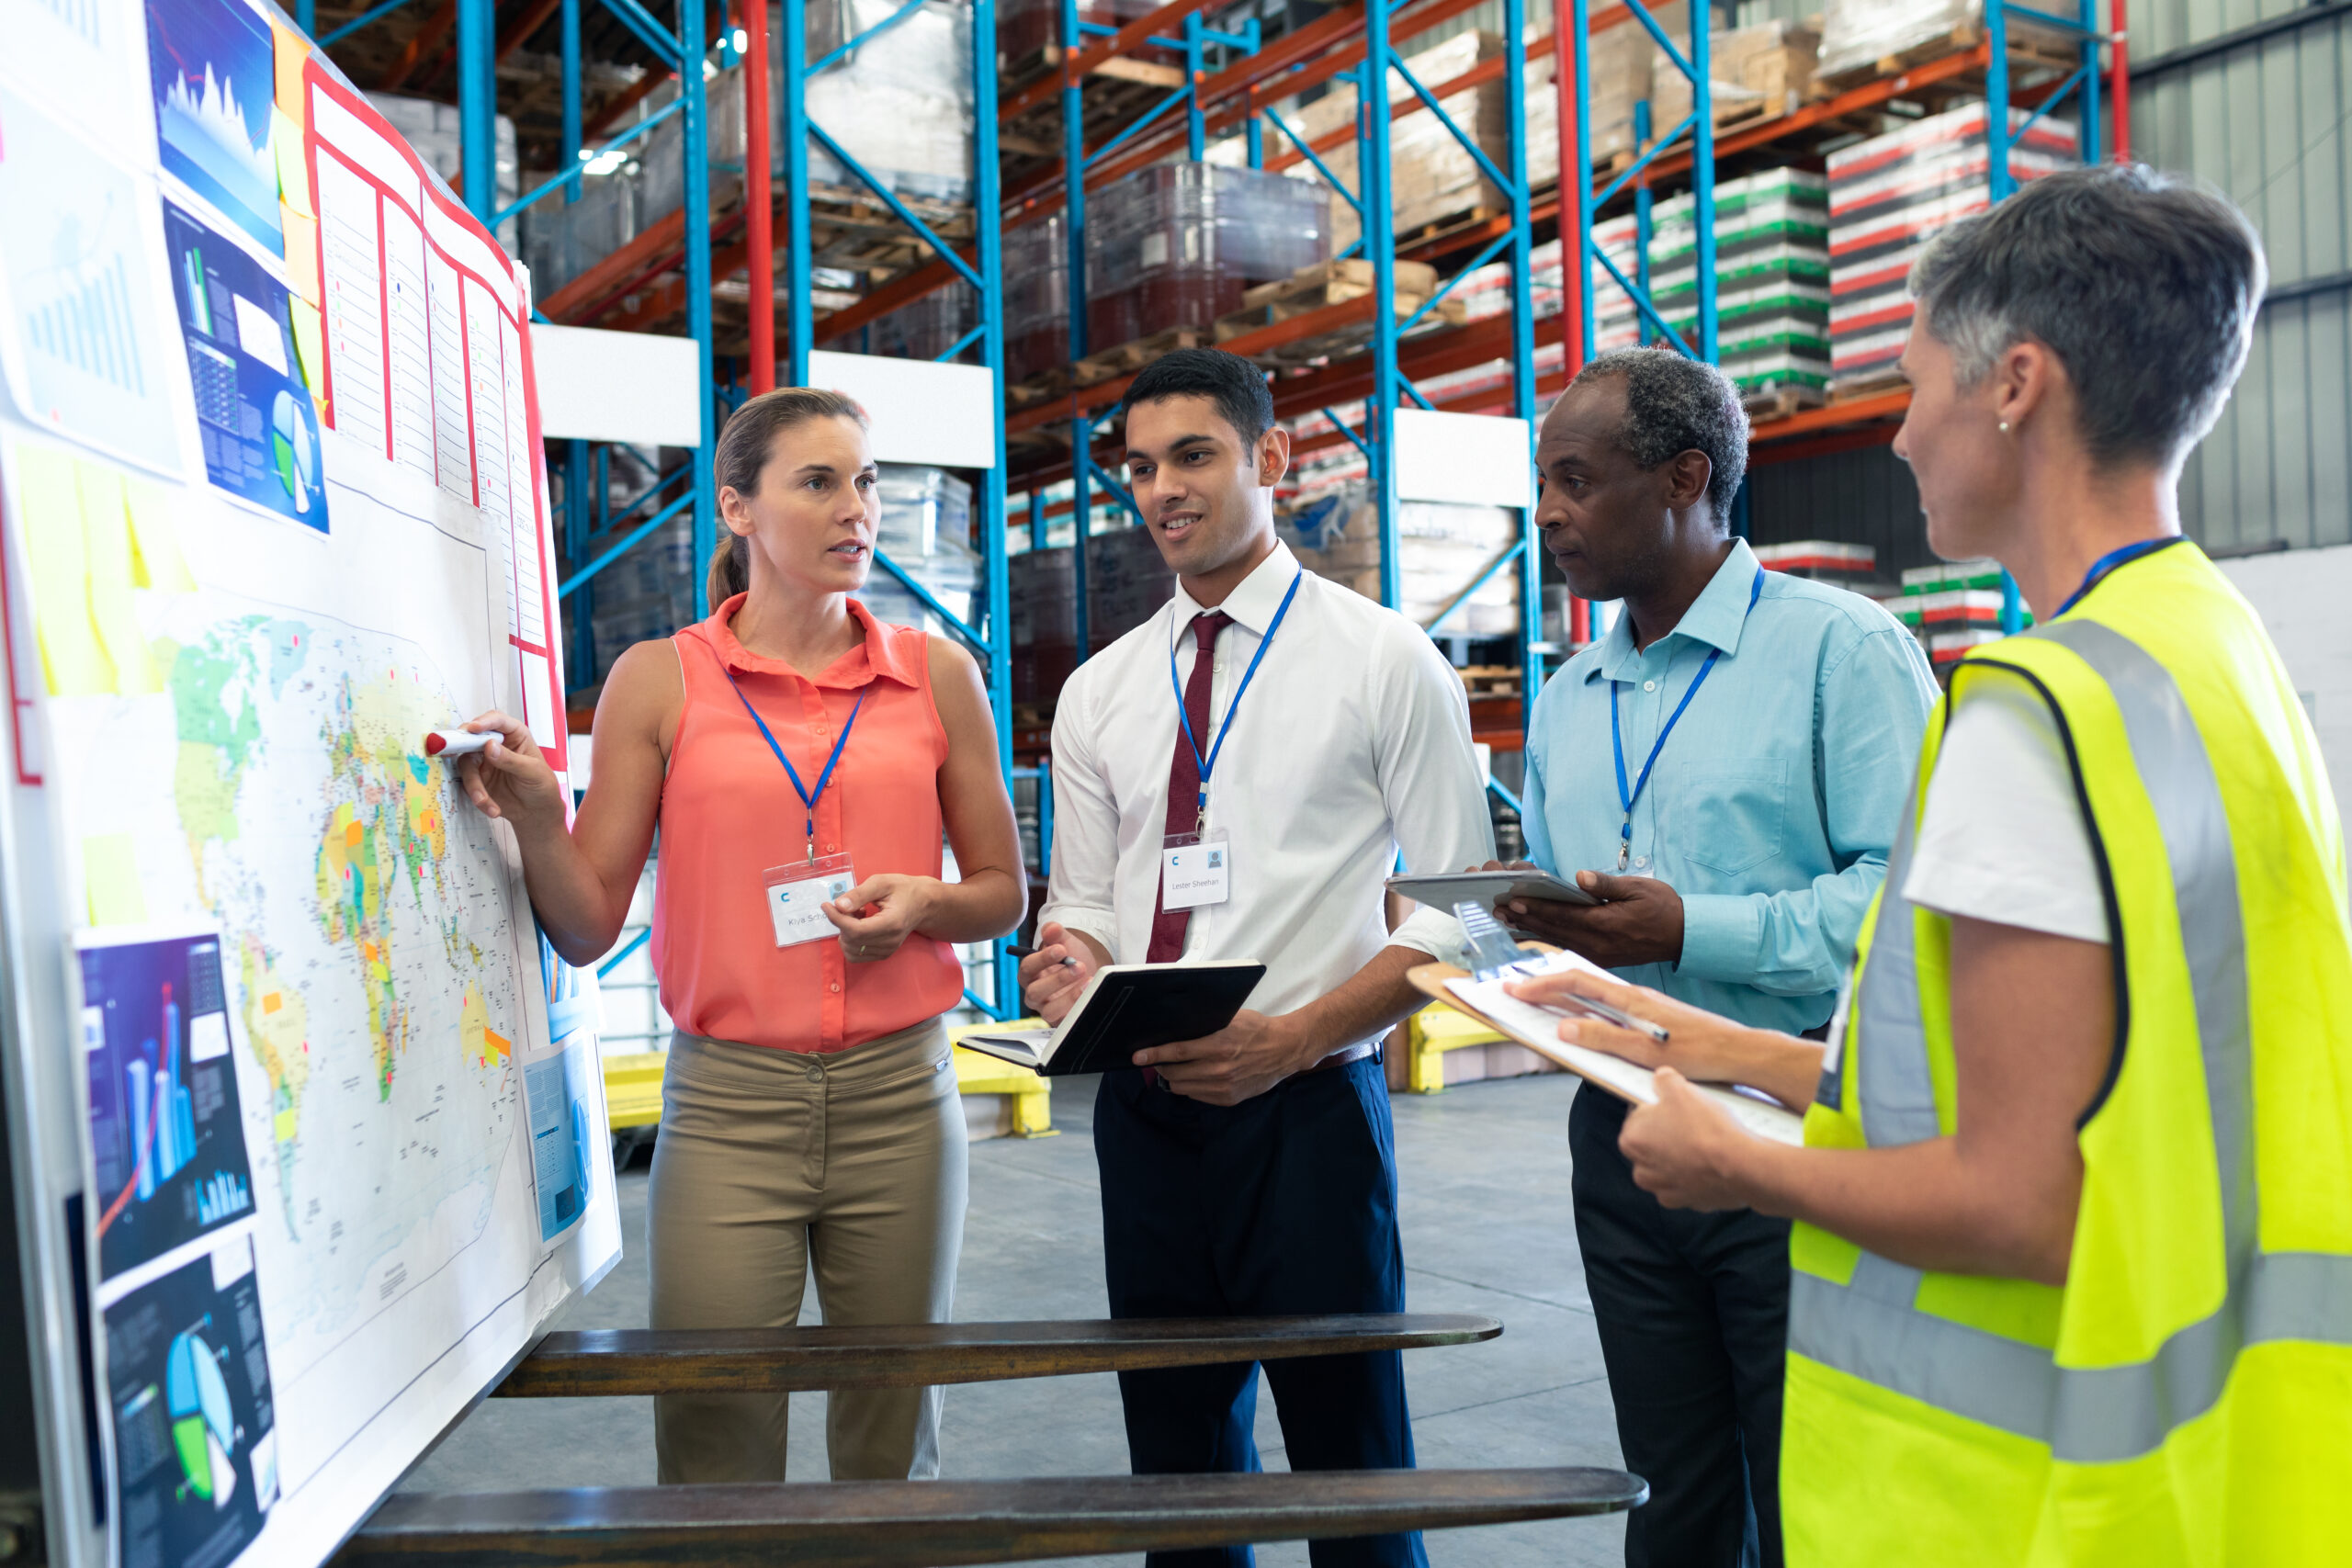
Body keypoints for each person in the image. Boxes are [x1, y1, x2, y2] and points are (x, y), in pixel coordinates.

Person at [1514, 166, 2352, 1563]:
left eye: (1912, 387)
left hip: (2051, 1459)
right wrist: (1731, 1046)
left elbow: (2019, 1195)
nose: (1899, 437)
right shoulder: (2214, 646)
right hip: (2224, 1407)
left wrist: (1741, 1157)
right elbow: (2081, 1064)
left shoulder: (2035, 707)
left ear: (2015, 381)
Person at [451, 387, 1026, 1483]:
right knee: (711, 1430)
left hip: (901, 1098)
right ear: (738, 510)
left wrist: (925, 905)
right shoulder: (660, 680)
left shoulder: (938, 676)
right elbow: (585, 926)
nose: (856, 507)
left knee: (892, 1432)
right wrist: (534, 810)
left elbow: (1003, 890)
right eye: (818, 482)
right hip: (726, 1109)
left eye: (866, 482)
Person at [1016, 347, 1495, 1568]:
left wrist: (1291, 1038)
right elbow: (1083, 899)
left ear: (1270, 458)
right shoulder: (1102, 689)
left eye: (1193, 454)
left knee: (1354, 1470)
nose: (1162, 488)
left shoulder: (1387, 658)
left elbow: (1458, 914)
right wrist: (1068, 958)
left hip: (1308, 1115)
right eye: (1139, 467)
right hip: (1147, 1117)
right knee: (1178, 1479)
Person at [1502, 347, 1937, 1567]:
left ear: (1687, 476)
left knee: (1814, 1484)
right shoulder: (1573, 692)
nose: (1548, 511)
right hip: (1621, 1126)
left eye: (1578, 480)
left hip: (1791, 1112)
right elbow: (1572, 898)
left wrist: (1687, 925)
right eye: (1543, 479)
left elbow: (1902, 910)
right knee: (1671, 1485)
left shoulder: (1843, 653)